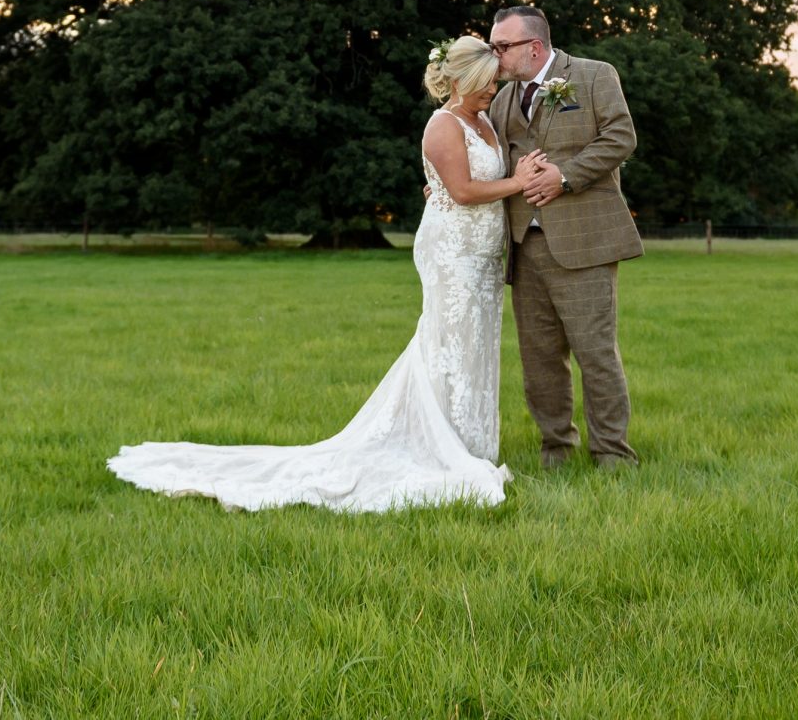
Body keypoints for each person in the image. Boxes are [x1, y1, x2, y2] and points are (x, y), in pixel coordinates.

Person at [106, 36, 541, 512]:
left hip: (481, 254)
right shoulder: (442, 125)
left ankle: (471, 445)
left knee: (476, 346)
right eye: (484, 83)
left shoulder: (484, 121)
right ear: (458, 81)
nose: (492, 90)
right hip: (451, 254)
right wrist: (518, 182)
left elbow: (443, 184)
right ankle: (440, 448)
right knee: (447, 344)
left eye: (495, 82)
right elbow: (459, 190)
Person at [484, 5, 643, 469]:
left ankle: (613, 454)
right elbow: (488, 159)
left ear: (534, 47)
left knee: (595, 353)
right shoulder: (502, 99)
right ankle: (555, 448)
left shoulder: (595, 76)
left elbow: (620, 137)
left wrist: (566, 177)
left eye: (503, 47)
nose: (496, 57)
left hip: (585, 243)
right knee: (538, 360)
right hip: (523, 246)